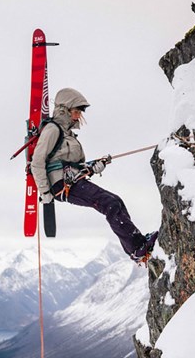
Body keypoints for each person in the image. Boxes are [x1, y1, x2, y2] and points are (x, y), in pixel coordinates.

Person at [31, 88, 159, 262]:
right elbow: (37, 162)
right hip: (61, 186)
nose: (77, 117)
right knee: (110, 204)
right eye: (76, 112)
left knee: (115, 201)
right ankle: (137, 249)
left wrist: (93, 167)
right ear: (64, 110)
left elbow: (71, 164)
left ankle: (137, 245)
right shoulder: (52, 129)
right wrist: (45, 193)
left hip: (72, 181)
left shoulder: (67, 133)